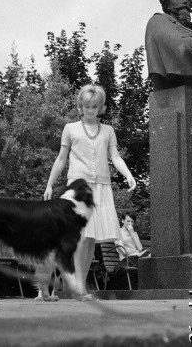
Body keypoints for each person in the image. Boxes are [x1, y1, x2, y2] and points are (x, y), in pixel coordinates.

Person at [43, 84, 136, 299]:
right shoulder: (70, 129)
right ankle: (73, 284)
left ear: (101, 107)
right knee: (81, 237)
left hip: (102, 189)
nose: (91, 110)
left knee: (91, 239)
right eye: (87, 106)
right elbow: (60, 159)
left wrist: (127, 173)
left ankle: (81, 287)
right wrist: (49, 184)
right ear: (80, 107)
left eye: (95, 106)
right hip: (78, 189)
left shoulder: (108, 131)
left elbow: (115, 157)